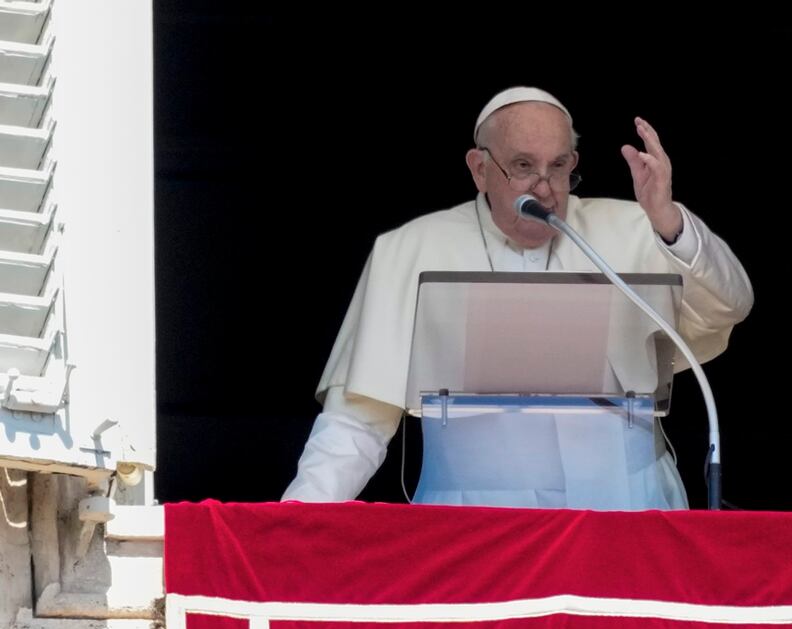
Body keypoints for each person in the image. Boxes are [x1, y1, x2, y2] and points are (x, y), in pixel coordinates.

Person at [282, 86, 753, 509]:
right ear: (480, 168)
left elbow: (731, 304)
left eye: (559, 166)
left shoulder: (638, 227)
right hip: (471, 515)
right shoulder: (410, 249)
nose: (545, 189)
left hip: (626, 503)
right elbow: (357, 420)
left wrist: (670, 222)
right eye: (523, 167)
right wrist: (293, 524)